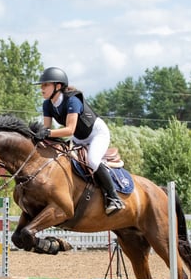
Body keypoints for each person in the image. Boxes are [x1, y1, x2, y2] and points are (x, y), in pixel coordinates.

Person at [34, 66, 125, 215]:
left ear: (58, 86)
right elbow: (47, 130)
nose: (42, 89)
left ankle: (114, 197)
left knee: (93, 161)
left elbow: (68, 129)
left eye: (45, 85)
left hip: (97, 133)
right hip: (78, 136)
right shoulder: (47, 105)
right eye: (42, 85)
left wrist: (46, 133)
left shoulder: (73, 100)